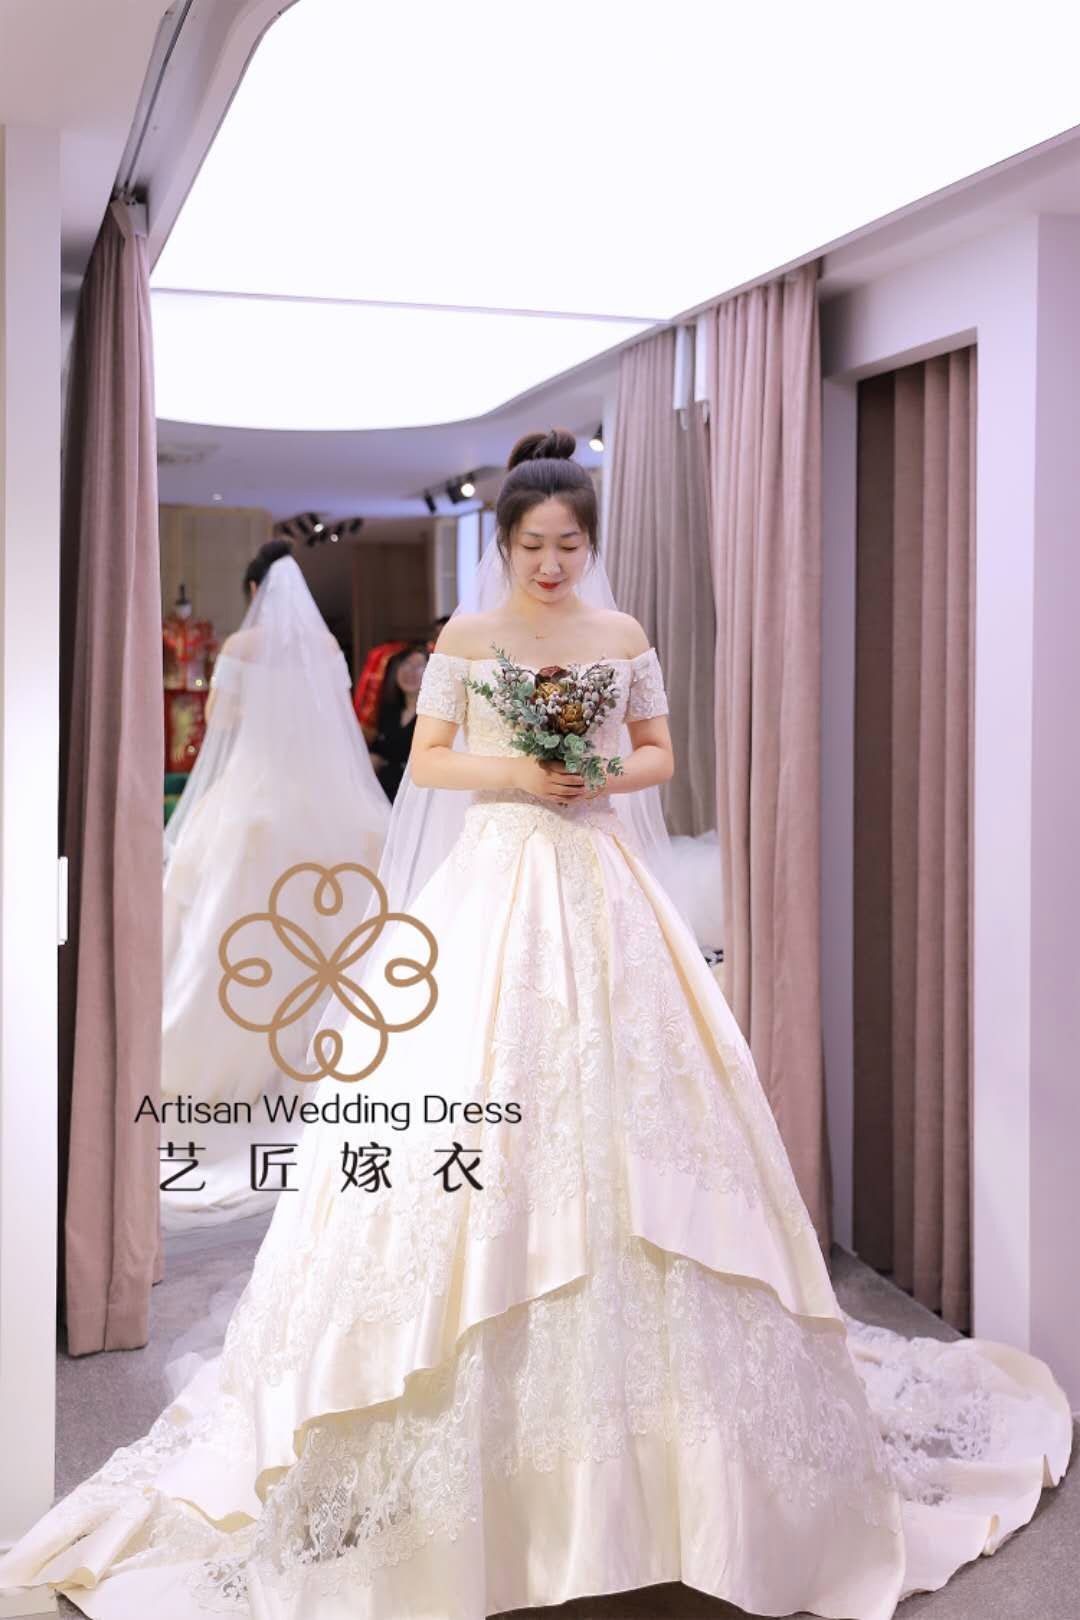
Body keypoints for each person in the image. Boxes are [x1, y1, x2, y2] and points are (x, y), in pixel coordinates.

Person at [0, 431, 1071, 1618]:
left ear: (589, 544)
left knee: (641, 1118)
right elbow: (431, 763)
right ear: (505, 546)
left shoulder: (619, 637)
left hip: (603, 881)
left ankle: (671, 1475)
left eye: (568, 544)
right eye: (532, 546)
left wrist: (599, 775)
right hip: (499, 881)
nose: (551, 563)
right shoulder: (468, 640)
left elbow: (659, 752)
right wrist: (519, 775)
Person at [157, 538, 392, 1230]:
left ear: (255, 590)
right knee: (333, 938)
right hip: (328, 805)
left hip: (256, 801)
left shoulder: (240, 646)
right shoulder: (325, 648)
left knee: (235, 935)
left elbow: (220, 724)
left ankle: (222, 1073)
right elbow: (339, 721)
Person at [366, 642, 429, 802]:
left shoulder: (431, 716)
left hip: (415, 796)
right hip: (383, 792)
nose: (410, 672)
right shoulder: (388, 710)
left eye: (419, 667)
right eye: (406, 664)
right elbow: (378, 751)